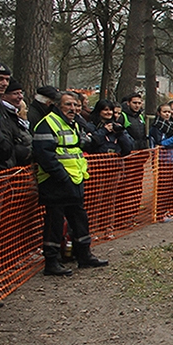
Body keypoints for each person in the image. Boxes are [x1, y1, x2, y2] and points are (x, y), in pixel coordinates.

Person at [31, 90, 108, 276]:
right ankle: (51, 261)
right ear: (57, 105)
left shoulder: (72, 124)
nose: (73, 109)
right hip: (55, 180)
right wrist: (61, 176)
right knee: (55, 221)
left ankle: (84, 254)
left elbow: (79, 147)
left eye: (75, 105)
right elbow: (44, 155)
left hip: (75, 178)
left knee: (79, 218)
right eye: (68, 105)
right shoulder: (47, 124)